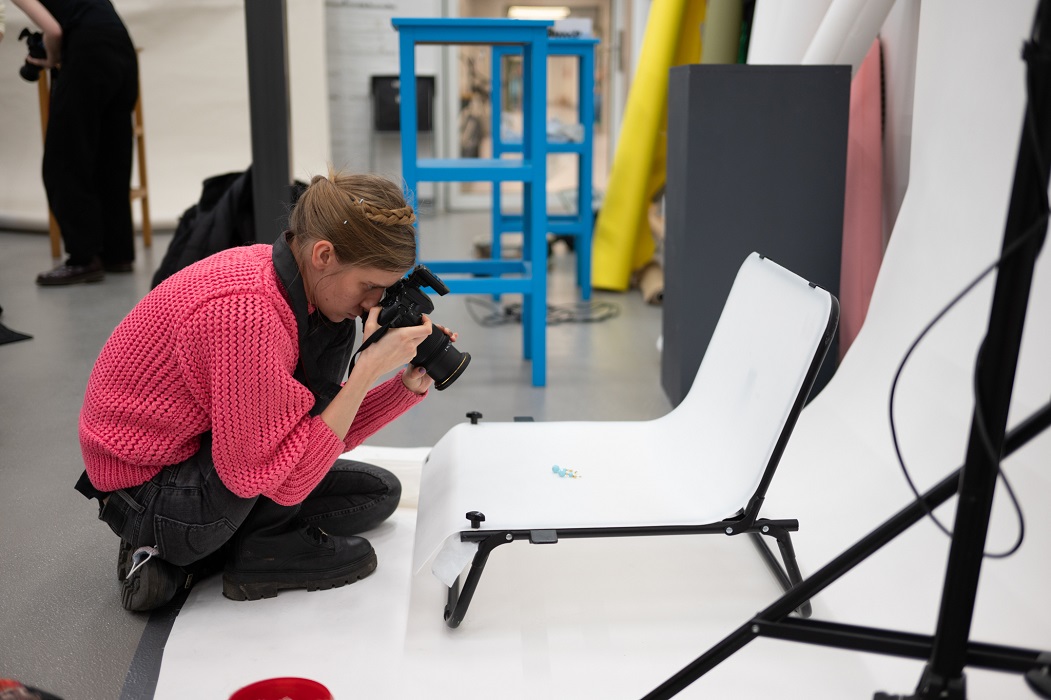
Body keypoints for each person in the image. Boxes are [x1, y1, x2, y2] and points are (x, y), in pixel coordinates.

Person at [74, 171, 453, 611]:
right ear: (323, 255)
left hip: (208, 454)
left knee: (378, 493)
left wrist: (404, 386)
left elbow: (315, 434)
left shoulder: (299, 288)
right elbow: (276, 475)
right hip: (151, 490)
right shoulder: (247, 313)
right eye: (370, 286)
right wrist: (367, 371)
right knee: (279, 472)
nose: (375, 303)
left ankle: (227, 548)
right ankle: (197, 550)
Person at [11, 0, 138, 285]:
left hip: (88, 52)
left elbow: (54, 31)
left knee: (64, 160)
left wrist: (50, 59)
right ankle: (117, 254)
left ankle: (83, 258)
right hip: (122, 49)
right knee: (112, 155)